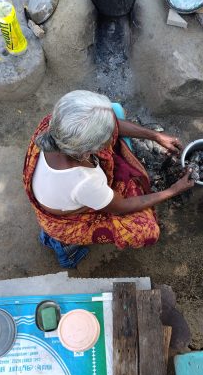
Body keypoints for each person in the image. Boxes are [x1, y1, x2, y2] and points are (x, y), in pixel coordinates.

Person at [23, 90, 194, 268]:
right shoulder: (84, 181)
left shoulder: (57, 125)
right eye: (105, 139)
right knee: (145, 230)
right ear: (86, 151)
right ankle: (63, 245)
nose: (111, 133)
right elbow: (122, 207)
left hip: (66, 192)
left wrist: (156, 136)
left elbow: (112, 124)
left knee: (114, 110)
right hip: (66, 221)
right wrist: (173, 190)